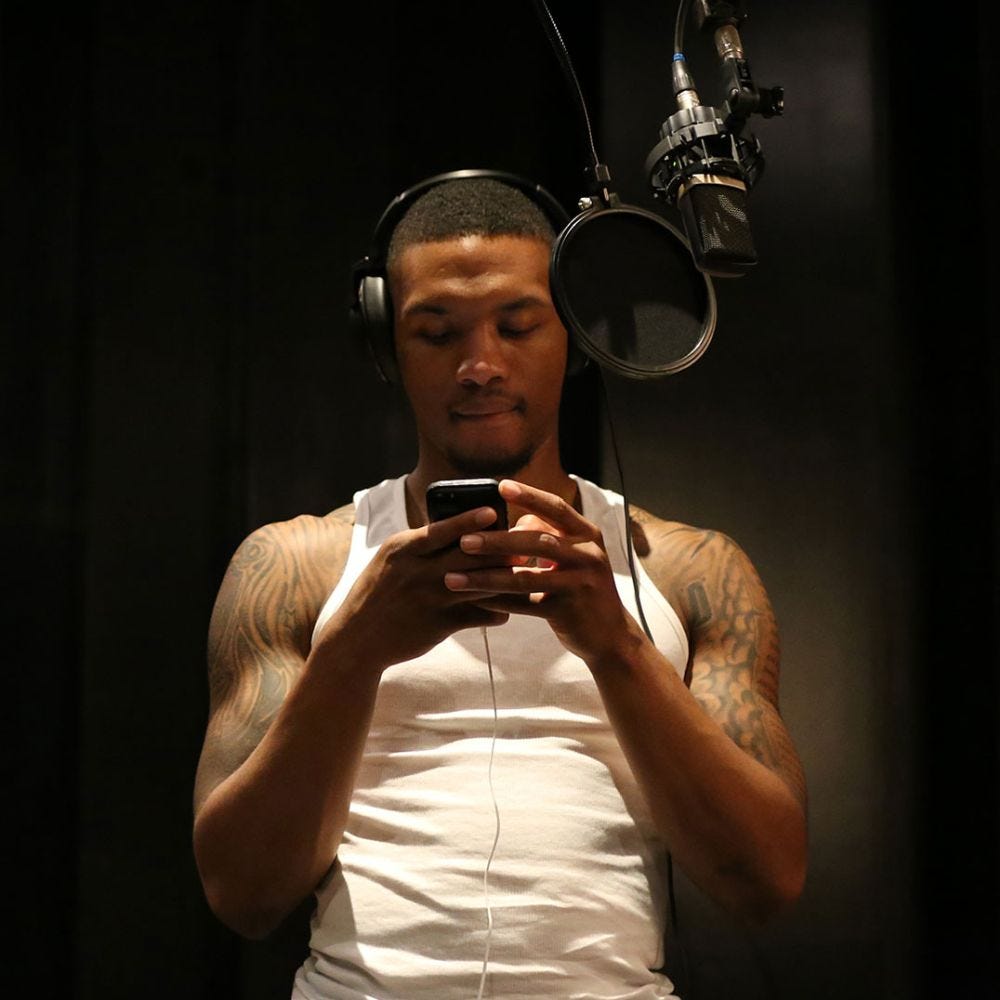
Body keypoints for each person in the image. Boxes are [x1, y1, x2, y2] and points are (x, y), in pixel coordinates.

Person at [192, 174, 808, 1000]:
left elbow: (765, 881)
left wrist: (617, 647)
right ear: (385, 345)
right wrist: (355, 650)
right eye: (436, 333)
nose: (480, 366)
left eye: (517, 326)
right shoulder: (297, 566)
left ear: (577, 334)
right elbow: (243, 893)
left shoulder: (685, 570)